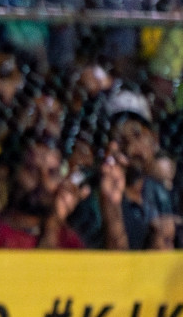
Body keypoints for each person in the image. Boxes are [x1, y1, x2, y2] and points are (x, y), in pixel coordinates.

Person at [70, 88, 176, 250]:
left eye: (137, 135)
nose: (131, 148)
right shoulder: (89, 194)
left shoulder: (160, 194)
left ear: (153, 139)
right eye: (119, 139)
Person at [0, 136, 86, 249]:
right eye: (32, 170)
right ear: (14, 173)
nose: (43, 181)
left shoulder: (68, 240)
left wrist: (53, 224)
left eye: (52, 173)